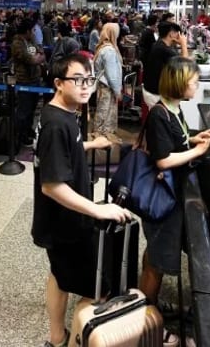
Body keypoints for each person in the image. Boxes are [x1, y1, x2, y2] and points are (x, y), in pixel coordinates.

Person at [32, 54, 127, 347]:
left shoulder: (61, 115)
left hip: (58, 221)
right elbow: (52, 186)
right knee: (97, 290)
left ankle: (56, 337)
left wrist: (90, 144)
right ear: (58, 84)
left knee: (60, 276)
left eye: (89, 79)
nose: (86, 86)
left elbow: (60, 153)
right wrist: (98, 211)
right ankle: (74, 340)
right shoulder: (56, 125)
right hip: (66, 222)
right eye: (77, 80)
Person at [139, 57, 210, 325]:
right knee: (157, 260)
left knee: (155, 254)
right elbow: (163, 159)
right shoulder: (159, 114)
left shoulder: (174, 109)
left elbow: (177, 142)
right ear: (178, 83)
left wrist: (195, 138)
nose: (196, 87)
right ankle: (144, 321)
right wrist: (196, 151)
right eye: (194, 82)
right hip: (163, 197)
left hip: (172, 193)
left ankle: (148, 304)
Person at [12, 19, 46, 148]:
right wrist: (36, 58)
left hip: (35, 79)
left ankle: (28, 130)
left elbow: (41, 54)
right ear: (27, 31)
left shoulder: (31, 41)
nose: (33, 32)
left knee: (32, 108)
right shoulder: (17, 43)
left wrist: (37, 58)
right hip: (24, 80)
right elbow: (30, 59)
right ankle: (20, 135)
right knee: (23, 110)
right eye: (32, 30)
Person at [142, 22, 188, 110]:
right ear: (171, 34)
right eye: (178, 33)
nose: (180, 36)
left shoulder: (159, 44)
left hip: (151, 90)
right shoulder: (163, 49)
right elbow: (184, 65)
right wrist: (183, 44)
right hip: (155, 94)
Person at [93, 22, 122, 137]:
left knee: (102, 112)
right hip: (107, 88)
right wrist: (117, 91)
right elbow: (112, 74)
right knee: (105, 115)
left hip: (102, 86)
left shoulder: (103, 47)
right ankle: (102, 140)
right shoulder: (109, 50)